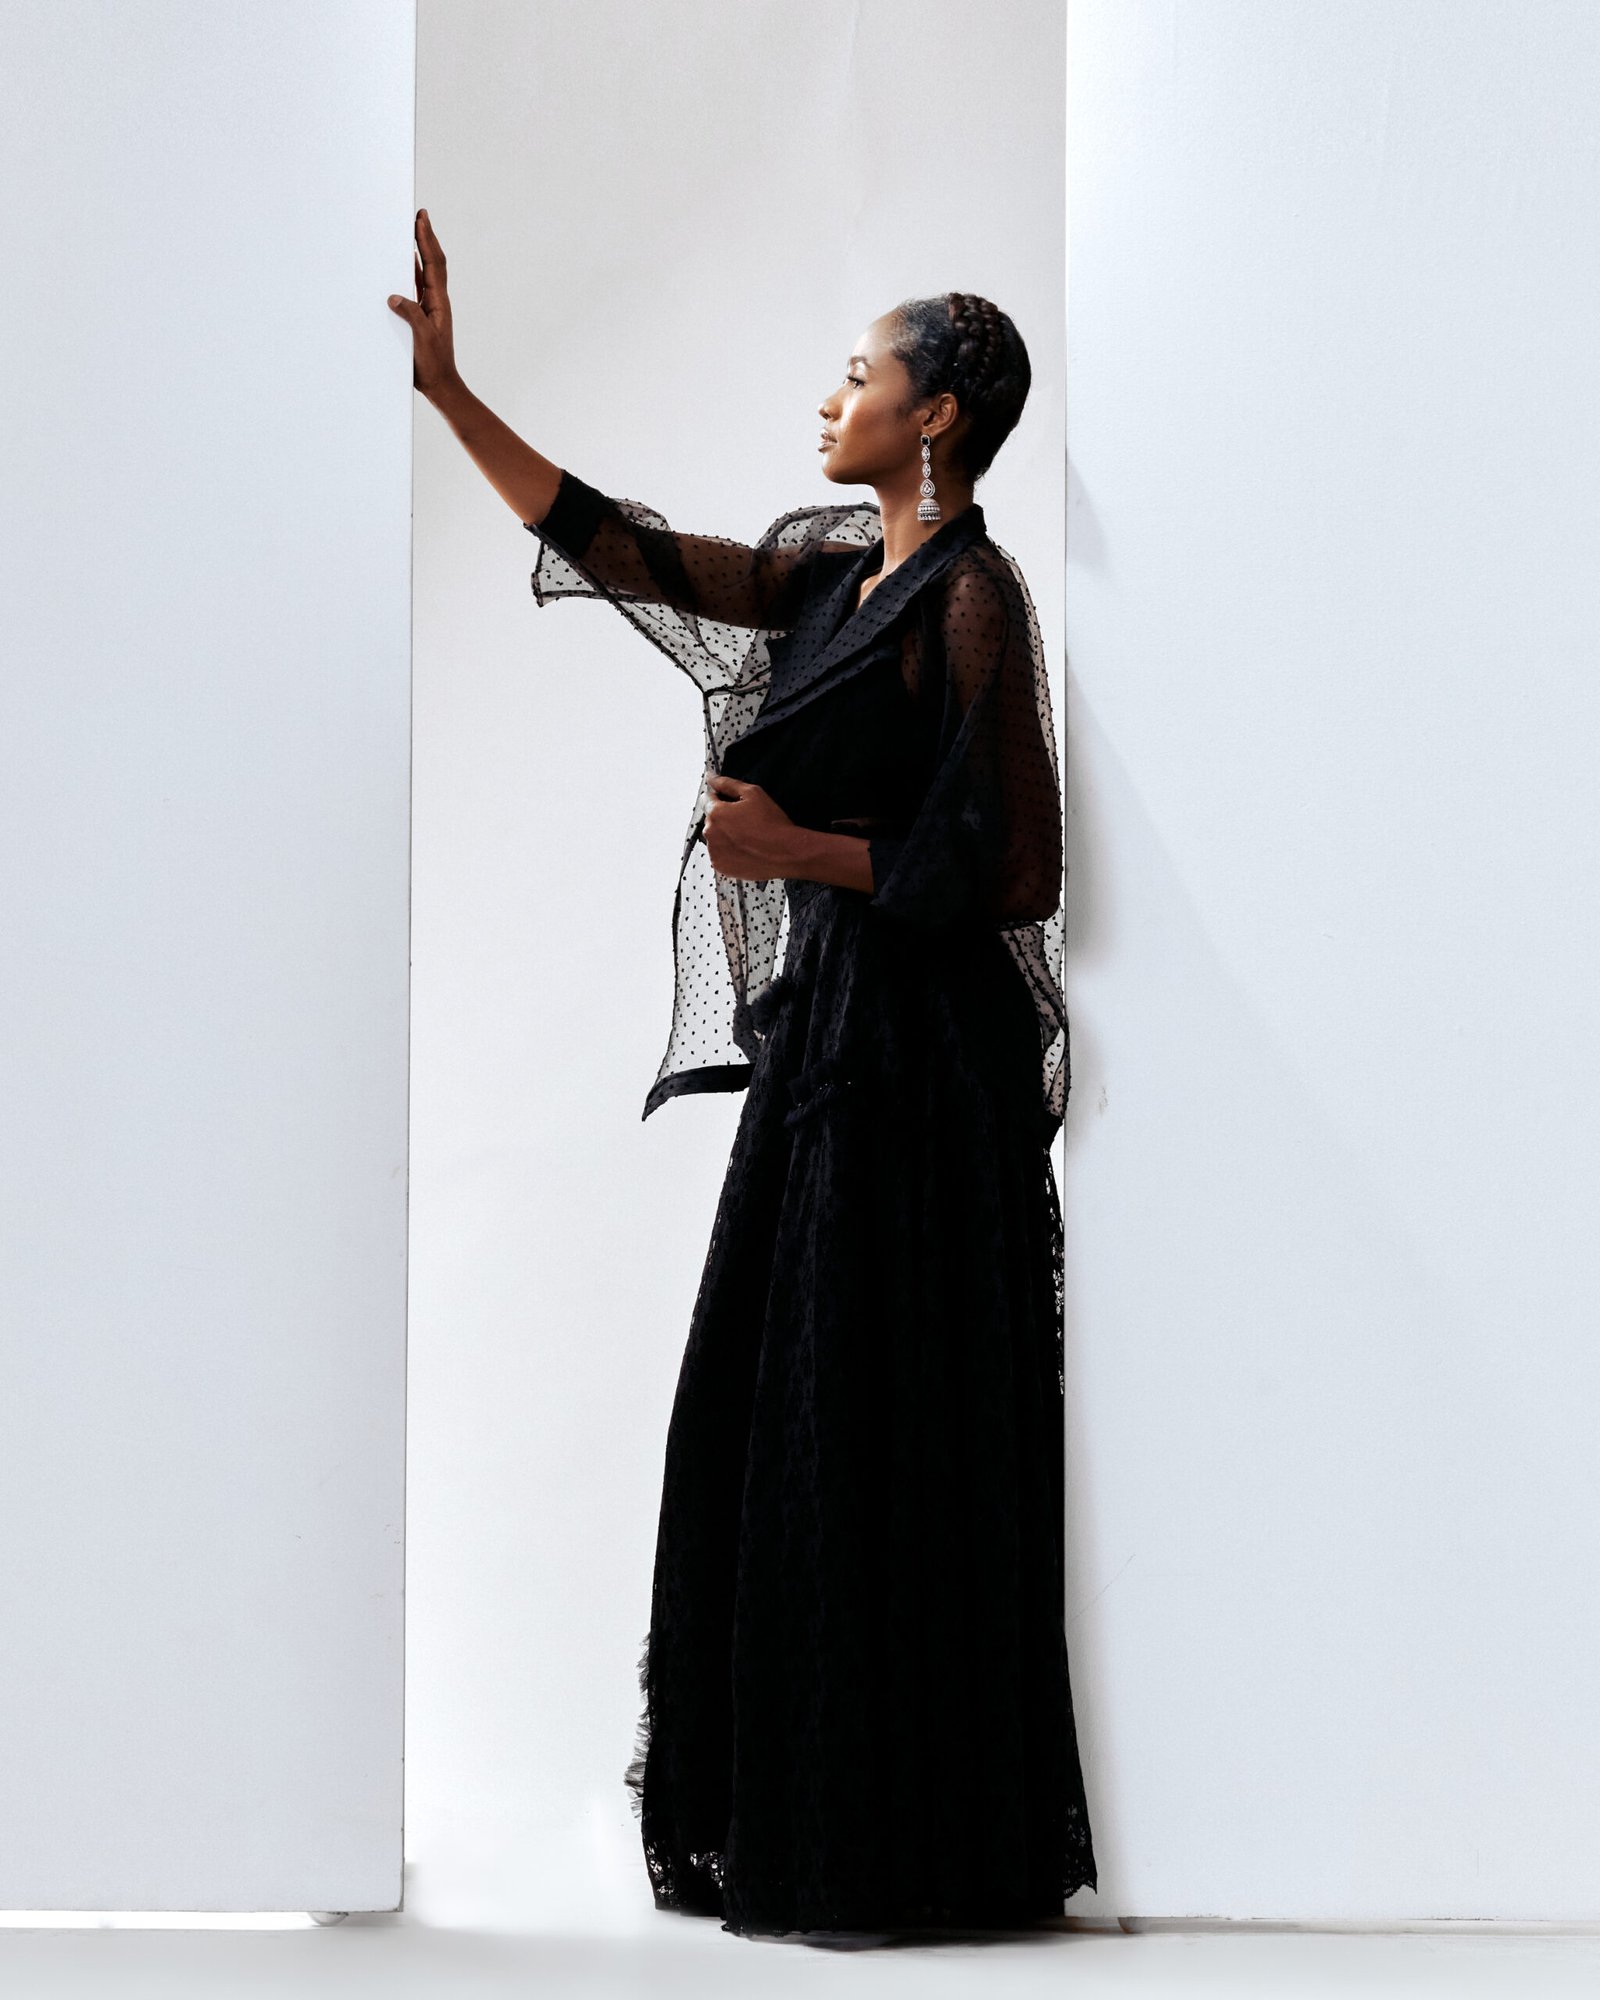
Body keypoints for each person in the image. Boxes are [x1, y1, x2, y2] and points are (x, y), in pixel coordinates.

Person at [389, 209, 1097, 1941]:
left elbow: (1020, 868)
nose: (832, 399)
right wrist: (453, 398)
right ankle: (793, 1818)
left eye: (861, 374)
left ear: (936, 415)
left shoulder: (973, 598)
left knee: (882, 1427)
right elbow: (634, 554)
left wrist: (802, 850)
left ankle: (909, 1854)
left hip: (923, 1073)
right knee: (777, 1418)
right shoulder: (829, 575)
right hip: (824, 1049)